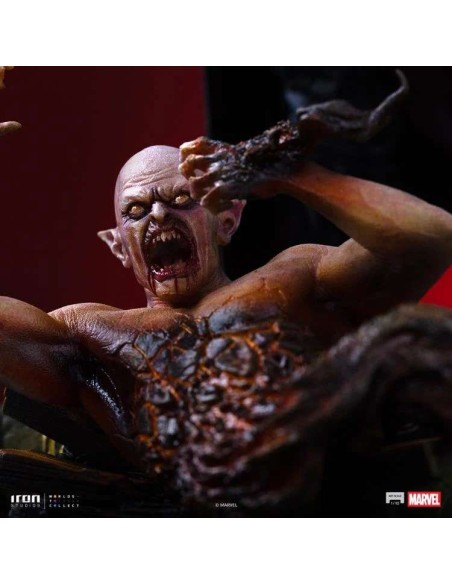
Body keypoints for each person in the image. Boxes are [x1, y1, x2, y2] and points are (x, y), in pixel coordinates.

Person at [1, 70, 451, 508]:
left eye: (181, 199)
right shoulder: (86, 333)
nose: (159, 216)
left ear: (228, 219)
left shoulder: (297, 278)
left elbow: (432, 238)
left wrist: (295, 176)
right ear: (118, 246)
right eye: (136, 211)